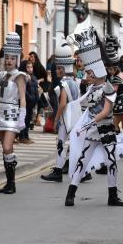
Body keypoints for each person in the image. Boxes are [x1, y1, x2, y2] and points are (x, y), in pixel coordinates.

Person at [65, 26, 123, 207]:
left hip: (103, 128)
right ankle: (71, 194)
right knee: (87, 160)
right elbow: (83, 106)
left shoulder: (108, 88)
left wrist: (88, 124)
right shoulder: (91, 89)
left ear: (96, 73)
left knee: (109, 161)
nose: (86, 76)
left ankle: (110, 196)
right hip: (96, 129)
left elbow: (105, 111)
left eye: (89, 73)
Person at [0, 32, 27, 194]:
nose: (9, 61)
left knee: (7, 146)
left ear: (17, 59)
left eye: (12, 58)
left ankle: (12, 181)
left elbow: (23, 99)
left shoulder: (20, 76)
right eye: (7, 57)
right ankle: (9, 183)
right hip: (1, 113)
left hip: (12, 114)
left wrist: (22, 118)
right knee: (5, 149)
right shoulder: (3, 75)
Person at [40, 44, 82, 182]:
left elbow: (63, 103)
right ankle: (68, 169)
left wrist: (56, 119)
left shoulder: (64, 84)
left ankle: (59, 171)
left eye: (59, 68)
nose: (57, 70)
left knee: (60, 143)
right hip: (75, 117)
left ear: (64, 69)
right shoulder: (75, 82)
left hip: (66, 119)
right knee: (70, 144)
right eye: (57, 68)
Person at [18, 60, 38, 144]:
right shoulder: (23, 77)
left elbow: (35, 88)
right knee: (24, 119)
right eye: (28, 67)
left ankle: (26, 136)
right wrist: (29, 98)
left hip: (32, 102)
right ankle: (22, 136)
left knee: (28, 119)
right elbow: (23, 90)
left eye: (31, 67)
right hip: (26, 102)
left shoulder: (33, 77)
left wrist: (36, 99)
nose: (30, 69)